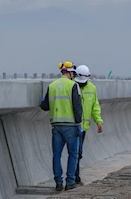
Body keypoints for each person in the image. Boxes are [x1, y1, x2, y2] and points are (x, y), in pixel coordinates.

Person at [40, 61, 83, 191]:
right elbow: (77, 107)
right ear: (69, 73)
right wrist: (78, 123)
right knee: (73, 154)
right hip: (71, 125)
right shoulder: (73, 86)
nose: (73, 76)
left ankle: (58, 183)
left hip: (56, 126)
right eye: (73, 74)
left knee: (57, 155)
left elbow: (45, 106)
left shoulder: (52, 86)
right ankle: (70, 182)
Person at [73, 64, 103, 186]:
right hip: (73, 125)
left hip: (83, 127)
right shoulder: (73, 87)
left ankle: (75, 176)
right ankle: (75, 177)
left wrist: (98, 121)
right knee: (75, 152)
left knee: (78, 153)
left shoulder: (92, 88)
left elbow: (95, 106)